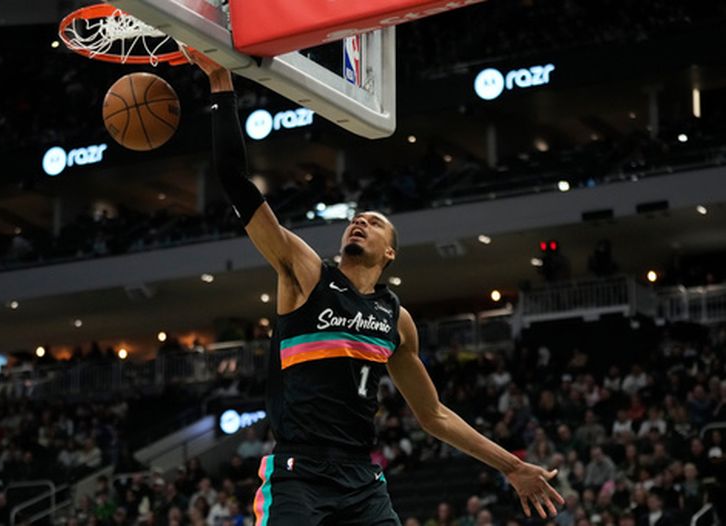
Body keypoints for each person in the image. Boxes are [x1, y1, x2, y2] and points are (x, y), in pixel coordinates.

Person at [184, 48, 564, 526]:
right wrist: (220, 80)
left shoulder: (397, 320)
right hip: (299, 474)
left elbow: (434, 416)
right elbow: (234, 180)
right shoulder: (305, 274)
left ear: (390, 254)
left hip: (362, 482)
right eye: (356, 219)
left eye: (375, 222)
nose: (360, 221)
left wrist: (511, 466)